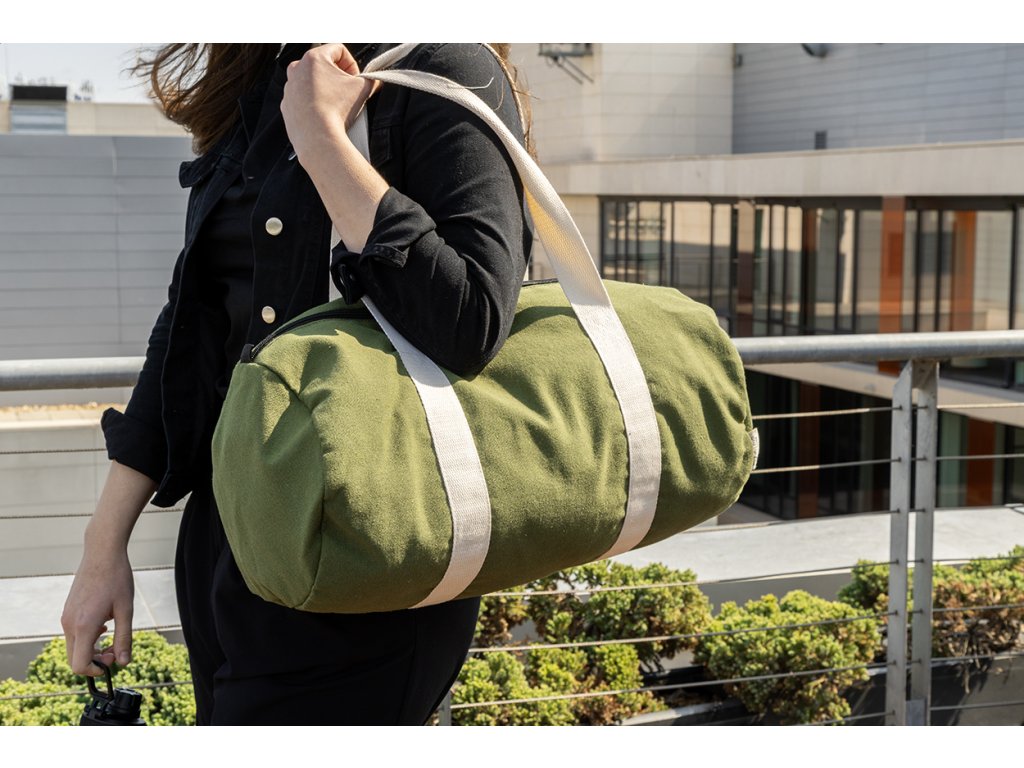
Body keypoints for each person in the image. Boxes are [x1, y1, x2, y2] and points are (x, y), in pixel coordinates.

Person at [60, 43, 532, 725]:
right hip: (228, 541)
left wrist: (323, 142)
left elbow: (472, 322)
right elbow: (194, 329)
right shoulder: (265, 72)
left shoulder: (444, 66)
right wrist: (103, 546)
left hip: (362, 553)